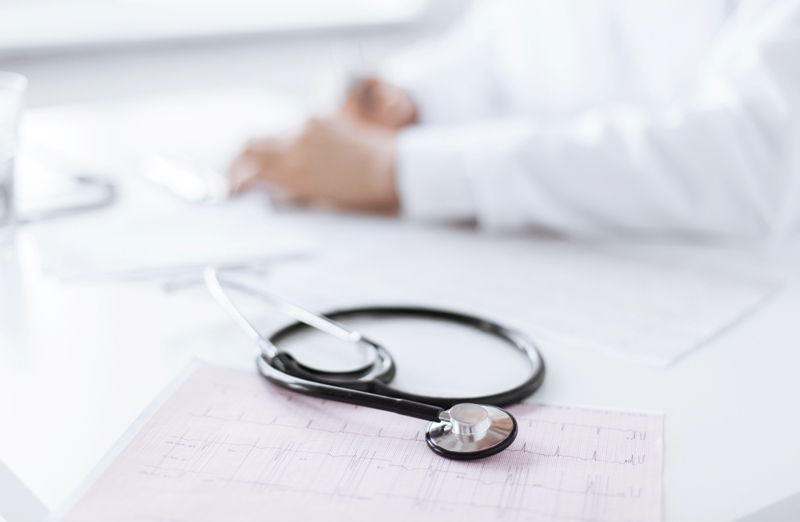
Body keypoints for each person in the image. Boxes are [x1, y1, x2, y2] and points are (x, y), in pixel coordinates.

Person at [228, 0, 800, 241]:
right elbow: (504, 52)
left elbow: (748, 159)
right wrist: (411, 101)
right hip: (577, 256)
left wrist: (394, 170)